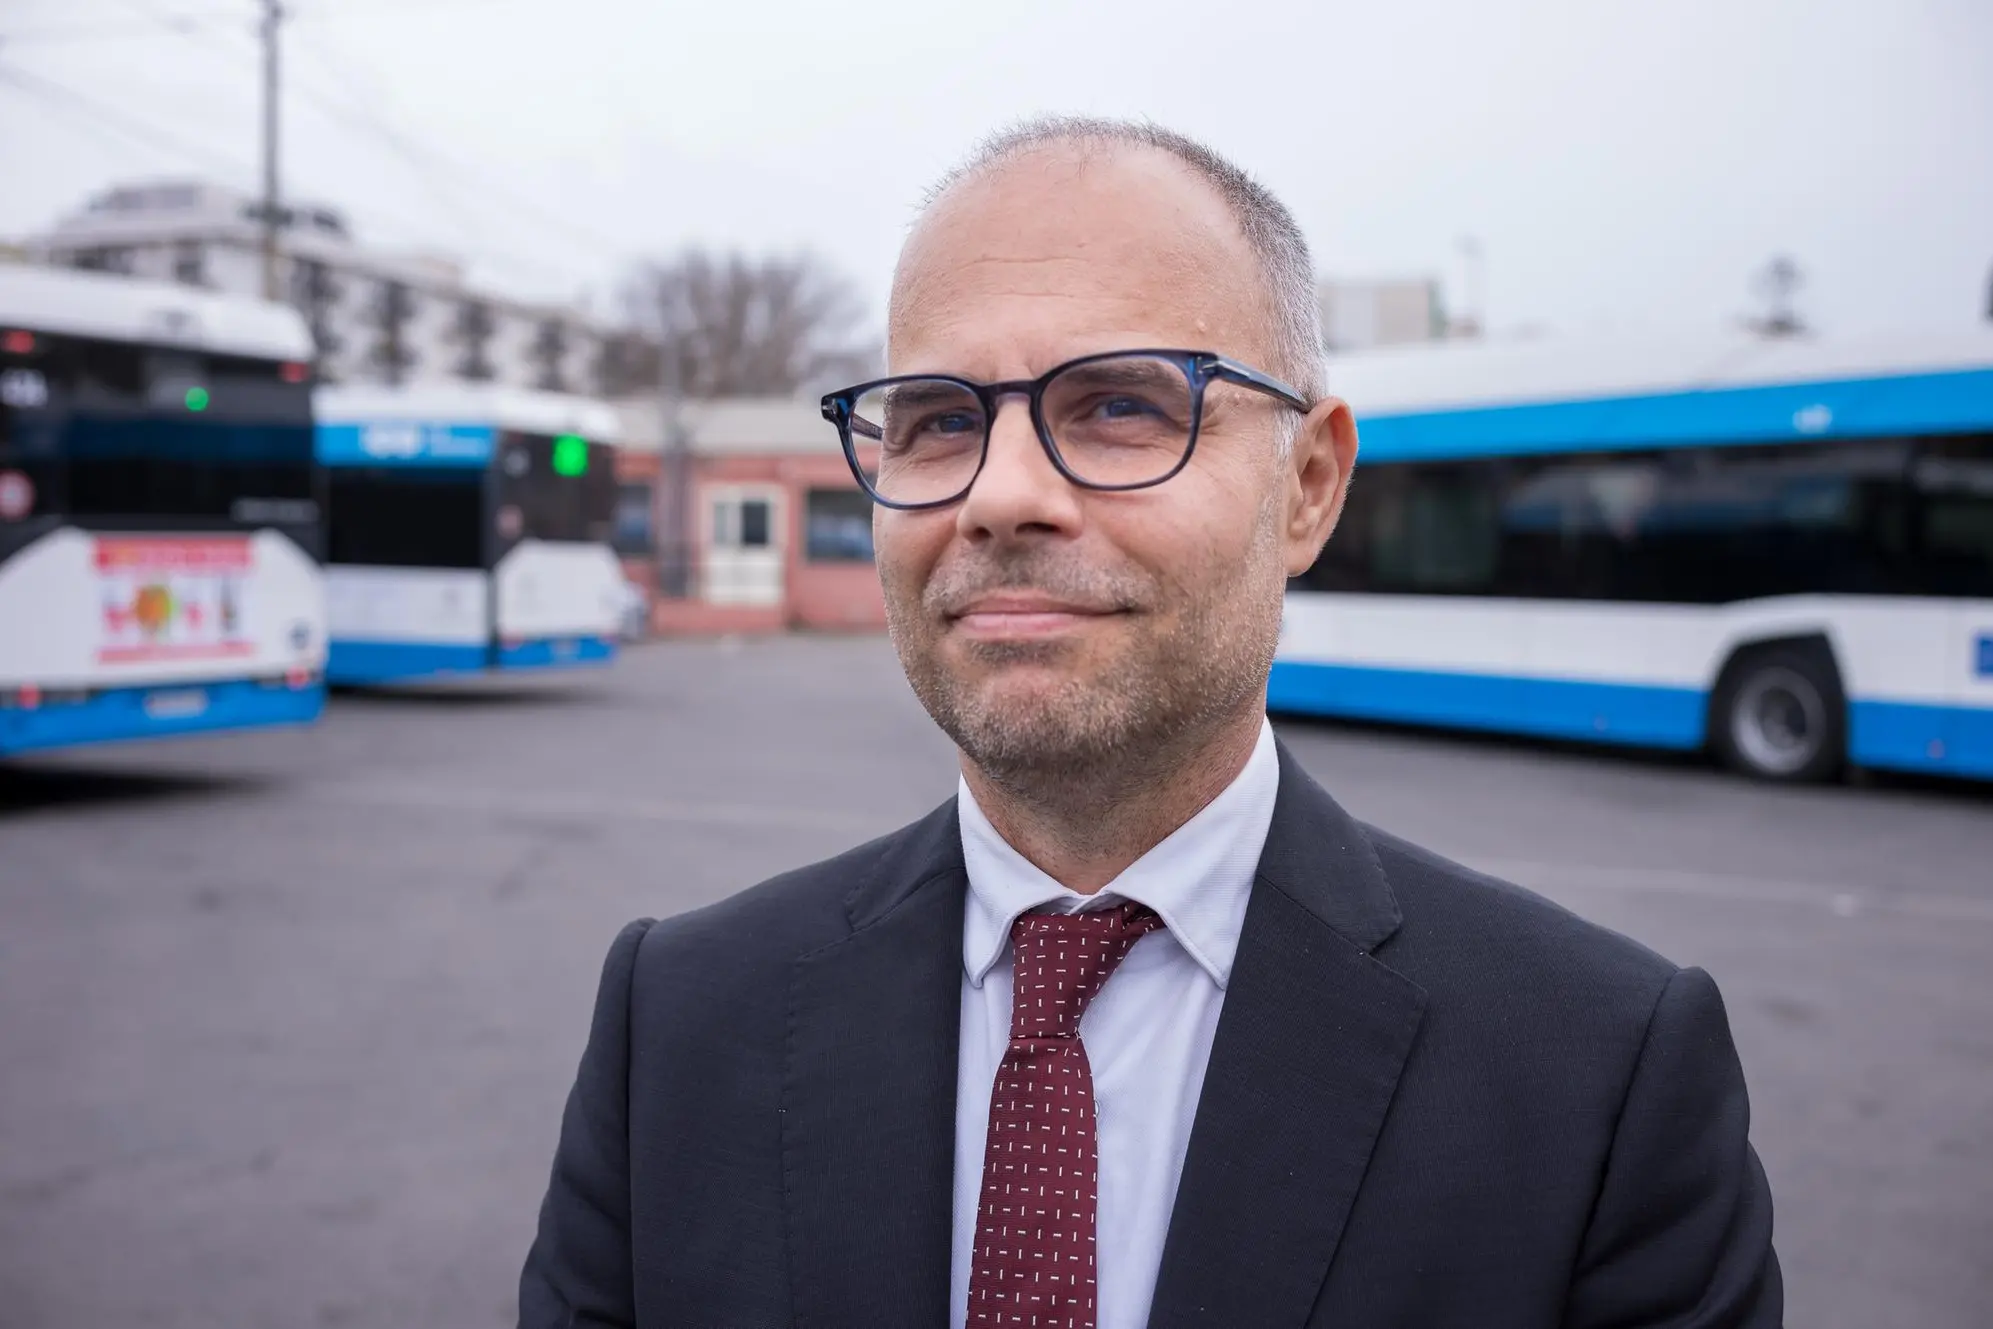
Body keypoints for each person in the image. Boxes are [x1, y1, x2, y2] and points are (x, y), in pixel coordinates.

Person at [519, 117, 1781, 1329]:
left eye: (1120, 404)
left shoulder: (1598, 1074)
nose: (1002, 495)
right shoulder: (677, 1022)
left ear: (1307, 488)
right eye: (939, 420)